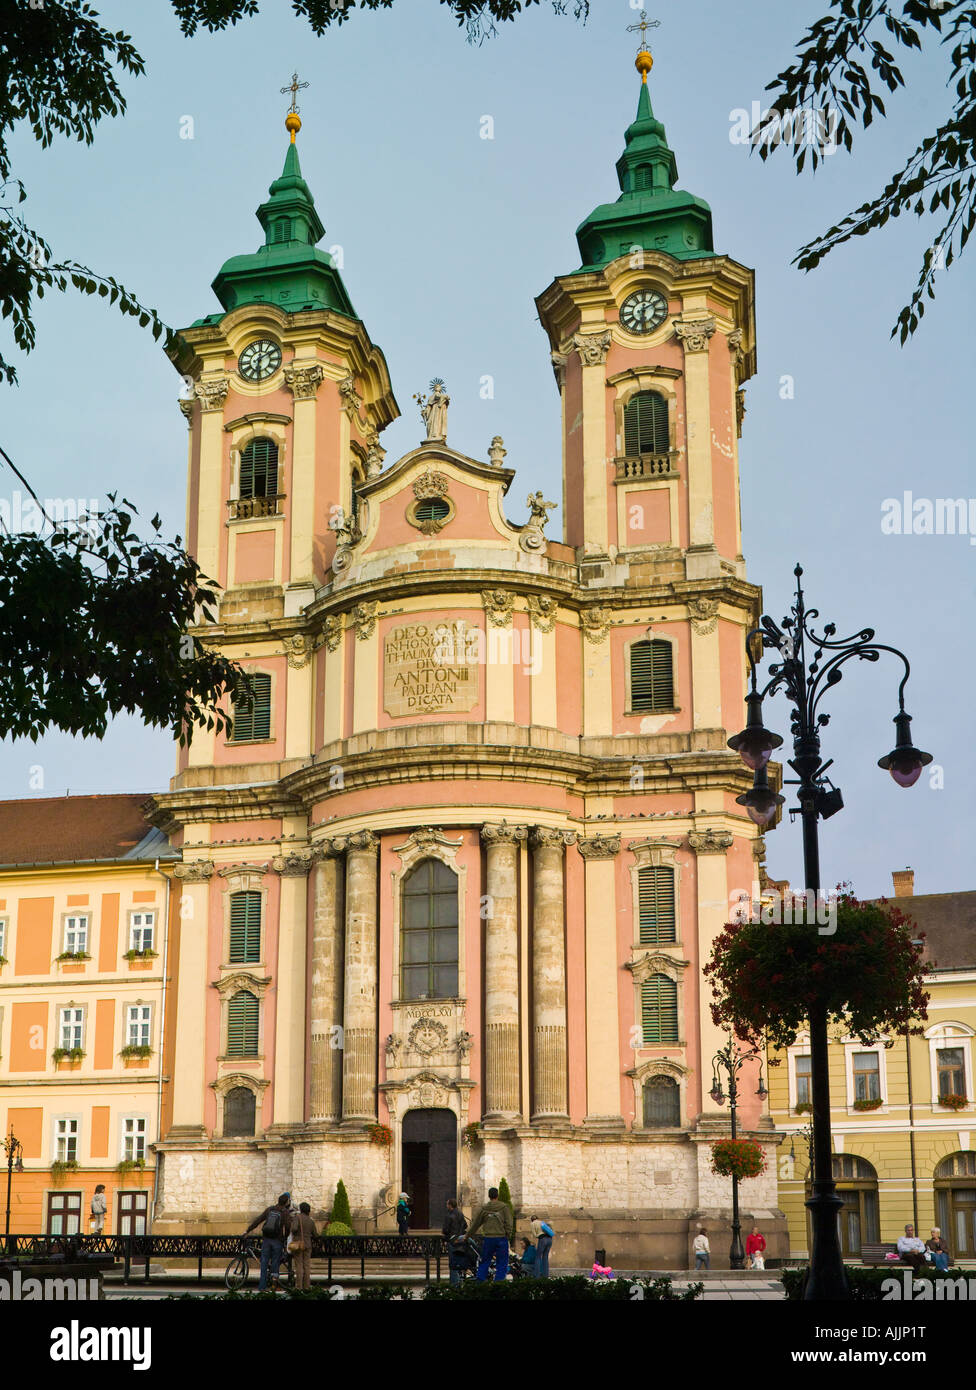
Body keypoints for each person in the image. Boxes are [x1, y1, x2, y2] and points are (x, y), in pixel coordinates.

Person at [246, 1192, 293, 1291]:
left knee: (264, 1263)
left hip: (266, 1240)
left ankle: (262, 1287)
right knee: (275, 1263)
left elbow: (258, 1220)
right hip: (277, 1240)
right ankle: (273, 1286)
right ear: (286, 1203)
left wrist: (248, 1230)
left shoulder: (269, 1209)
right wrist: (285, 1237)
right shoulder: (285, 1212)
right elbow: (288, 1227)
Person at [468, 1186, 514, 1282]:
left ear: (489, 1196)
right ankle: (499, 1283)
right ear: (497, 1196)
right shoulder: (504, 1207)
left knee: (485, 1261)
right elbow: (509, 1223)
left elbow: (475, 1224)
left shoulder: (484, 1208)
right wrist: (508, 1235)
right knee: (502, 1263)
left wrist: (467, 1236)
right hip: (501, 1238)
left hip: (488, 1238)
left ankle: (480, 1281)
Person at [289, 1201, 317, 1291]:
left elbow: (294, 1229)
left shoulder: (297, 1218)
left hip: (298, 1245)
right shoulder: (311, 1220)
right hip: (308, 1244)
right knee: (307, 1266)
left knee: (299, 1266)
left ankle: (299, 1286)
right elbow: (315, 1234)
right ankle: (307, 1286)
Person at [442, 1197, 468, 1286]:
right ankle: (460, 1280)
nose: (446, 1206)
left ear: (450, 1205)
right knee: (459, 1260)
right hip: (460, 1240)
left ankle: (454, 1283)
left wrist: (448, 1235)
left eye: (447, 1204)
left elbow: (445, 1229)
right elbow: (465, 1225)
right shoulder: (460, 1213)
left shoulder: (449, 1216)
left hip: (452, 1240)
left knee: (453, 1262)